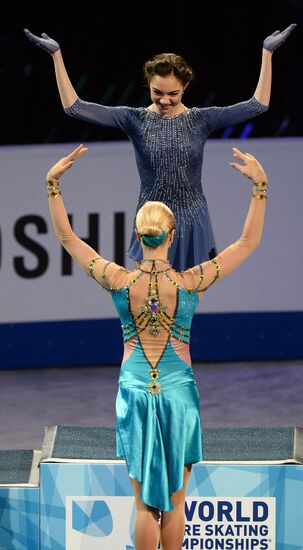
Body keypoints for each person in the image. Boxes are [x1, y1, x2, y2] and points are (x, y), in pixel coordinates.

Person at [45, 143, 268, 550]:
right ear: (173, 235)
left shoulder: (118, 280)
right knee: (177, 502)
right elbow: (247, 242)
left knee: (144, 502)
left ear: (137, 235)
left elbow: (67, 237)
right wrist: (261, 187)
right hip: (178, 391)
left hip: (133, 388)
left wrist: (53, 185)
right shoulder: (191, 282)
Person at [24, 25, 295, 271]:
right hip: (151, 219)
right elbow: (75, 107)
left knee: (187, 298)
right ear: (148, 86)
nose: (165, 100)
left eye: (173, 94)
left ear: (185, 87)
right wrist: (57, 56)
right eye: (157, 92)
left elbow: (258, 105)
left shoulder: (202, 119)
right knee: (153, 297)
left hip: (192, 218)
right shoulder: (133, 118)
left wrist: (267, 53)